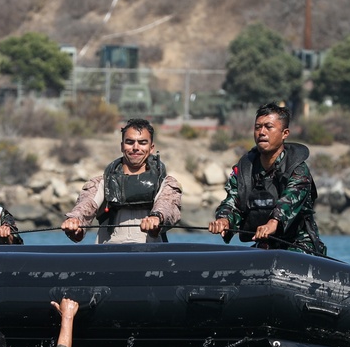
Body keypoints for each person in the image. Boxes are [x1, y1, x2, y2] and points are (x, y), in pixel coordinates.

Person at [207, 102, 327, 255]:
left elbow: (289, 201)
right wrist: (224, 219)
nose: (262, 132)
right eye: (258, 127)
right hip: (264, 248)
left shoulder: (298, 169)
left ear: (285, 133)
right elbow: (233, 202)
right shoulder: (244, 169)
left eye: (268, 127)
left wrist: (273, 222)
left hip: (300, 247)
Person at [61, 118, 182, 244]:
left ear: (151, 148)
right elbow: (86, 204)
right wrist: (75, 220)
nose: (136, 147)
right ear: (122, 146)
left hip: (150, 257)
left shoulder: (166, 183)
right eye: (130, 142)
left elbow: (168, 205)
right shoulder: (101, 182)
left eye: (142, 142)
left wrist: (157, 218)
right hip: (110, 255)